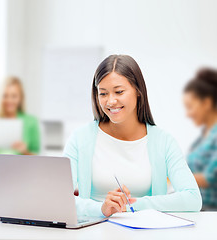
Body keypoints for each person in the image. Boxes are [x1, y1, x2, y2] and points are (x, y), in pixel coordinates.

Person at [63, 54, 202, 217]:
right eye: (103, 93)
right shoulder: (80, 139)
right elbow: (61, 200)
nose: (110, 101)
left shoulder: (163, 142)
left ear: (138, 91)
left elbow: (193, 199)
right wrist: (101, 209)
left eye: (119, 91)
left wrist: (132, 204)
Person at [0, 76, 40, 162]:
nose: (9, 100)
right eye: (5, 95)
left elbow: (38, 159)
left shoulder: (31, 121)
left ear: (20, 98)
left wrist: (25, 151)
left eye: (14, 96)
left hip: (21, 170)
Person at [183, 68, 217, 210]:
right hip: (197, 208)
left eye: (190, 107)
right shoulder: (201, 139)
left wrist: (171, 176)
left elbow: (210, 177)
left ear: (207, 103)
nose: (188, 114)